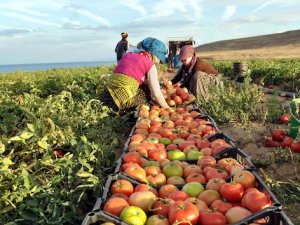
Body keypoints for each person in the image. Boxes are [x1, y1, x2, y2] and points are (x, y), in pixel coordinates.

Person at [102, 37, 170, 111]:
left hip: (107, 96)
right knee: (146, 90)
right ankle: (127, 110)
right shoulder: (150, 64)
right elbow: (156, 94)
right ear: (154, 55)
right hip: (121, 101)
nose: (158, 62)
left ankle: (111, 107)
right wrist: (167, 108)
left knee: (142, 85)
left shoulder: (128, 55)